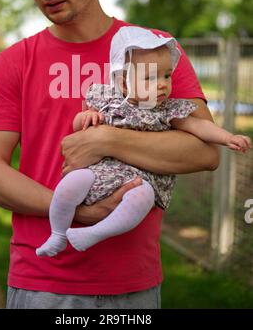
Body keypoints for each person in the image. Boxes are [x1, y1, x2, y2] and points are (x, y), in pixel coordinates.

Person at [0, 0, 220, 310]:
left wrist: (106, 139)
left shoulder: (154, 50)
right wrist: (76, 213)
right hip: (43, 284)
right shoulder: (16, 60)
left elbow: (204, 151)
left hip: (133, 286)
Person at [36, 26, 252, 258]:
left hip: (142, 180)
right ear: (125, 83)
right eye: (150, 77)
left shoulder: (168, 110)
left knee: (142, 199)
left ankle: (96, 233)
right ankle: (57, 234)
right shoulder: (109, 100)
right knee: (70, 185)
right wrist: (86, 118)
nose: (162, 84)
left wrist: (228, 137)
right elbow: (81, 128)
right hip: (101, 173)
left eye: (166, 76)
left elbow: (199, 126)